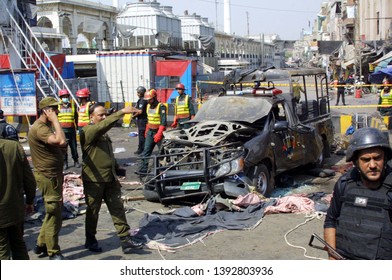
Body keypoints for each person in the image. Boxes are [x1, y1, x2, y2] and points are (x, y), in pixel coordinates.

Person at [80, 103, 143, 254]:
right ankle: (90, 239)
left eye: (105, 115)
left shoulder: (104, 133)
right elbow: (103, 126)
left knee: (117, 208)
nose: (103, 117)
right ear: (91, 117)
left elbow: (108, 153)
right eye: (100, 115)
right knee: (92, 211)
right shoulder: (88, 131)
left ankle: (125, 240)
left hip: (110, 178)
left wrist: (116, 167)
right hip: (94, 180)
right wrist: (122, 112)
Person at [324, 127, 392, 260]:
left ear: (385, 158)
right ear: (355, 162)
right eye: (366, 160)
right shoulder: (344, 183)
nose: (372, 165)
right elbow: (331, 220)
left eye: (377, 158)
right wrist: (332, 257)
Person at [28, 97, 68, 260]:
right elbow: (61, 140)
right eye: (54, 110)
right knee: (54, 213)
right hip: (48, 176)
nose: (57, 112)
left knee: (54, 211)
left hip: (53, 175)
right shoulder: (40, 128)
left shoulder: (45, 127)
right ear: (47, 111)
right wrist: (55, 120)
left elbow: (61, 145)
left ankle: (41, 244)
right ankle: (53, 251)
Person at [0, 137, 36, 260]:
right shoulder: (14, 146)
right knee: (18, 245)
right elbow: (29, 179)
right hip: (15, 209)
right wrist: (30, 201)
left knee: (2, 251)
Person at [136, 89, 167, 174]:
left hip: (159, 132)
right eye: (147, 100)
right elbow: (148, 120)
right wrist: (147, 130)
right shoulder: (148, 106)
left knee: (163, 152)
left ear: (154, 98)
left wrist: (159, 133)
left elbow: (163, 122)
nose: (148, 101)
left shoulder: (161, 107)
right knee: (146, 151)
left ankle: (164, 169)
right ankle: (143, 169)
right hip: (150, 131)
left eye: (149, 99)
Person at [58, 89, 80, 169]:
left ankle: (76, 161)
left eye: (66, 96)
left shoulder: (73, 105)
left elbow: (76, 118)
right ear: (61, 98)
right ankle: (65, 163)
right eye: (63, 96)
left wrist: (77, 129)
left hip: (71, 130)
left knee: (74, 147)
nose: (65, 98)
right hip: (62, 131)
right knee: (63, 148)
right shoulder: (58, 106)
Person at [132, 86, 148, 155]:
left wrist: (133, 116)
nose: (137, 94)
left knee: (142, 135)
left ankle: (141, 149)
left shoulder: (143, 100)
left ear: (141, 93)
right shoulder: (141, 100)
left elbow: (140, 111)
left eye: (138, 92)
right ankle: (142, 148)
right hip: (141, 120)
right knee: (141, 135)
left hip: (142, 120)